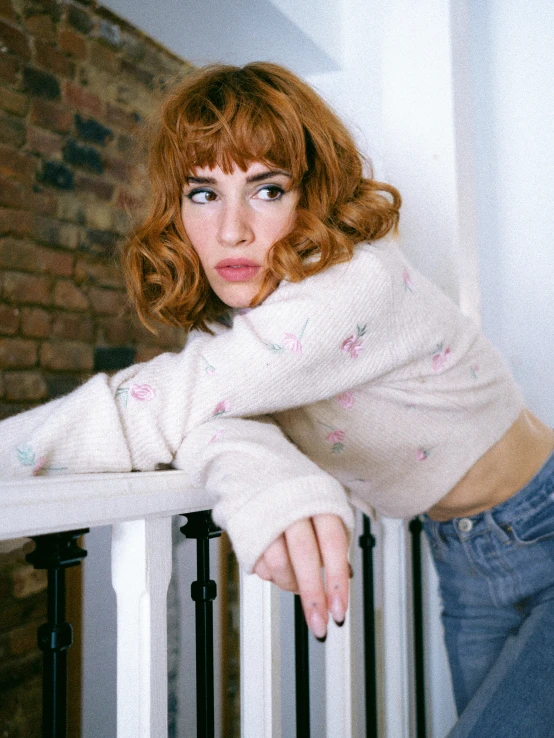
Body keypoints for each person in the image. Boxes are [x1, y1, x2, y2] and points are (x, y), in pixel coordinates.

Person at [1, 62, 553, 736]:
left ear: (311, 195)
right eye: (203, 193)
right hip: (464, 554)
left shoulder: (352, 283)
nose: (231, 229)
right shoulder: (262, 334)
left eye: (266, 188)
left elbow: (159, 406)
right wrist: (264, 478)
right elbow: (212, 418)